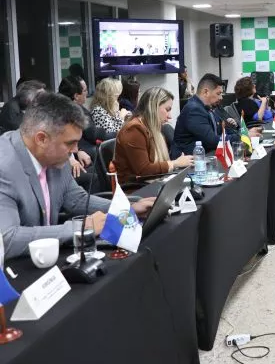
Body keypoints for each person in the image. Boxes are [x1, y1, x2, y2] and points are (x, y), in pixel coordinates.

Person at [0, 92, 155, 259]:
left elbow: (76, 199)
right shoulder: (4, 167)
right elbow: (7, 239)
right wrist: (80, 228)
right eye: (70, 143)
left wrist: (127, 209)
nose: (75, 150)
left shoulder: (53, 156)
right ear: (41, 139)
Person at [113, 87, 193, 185]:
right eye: (167, 110)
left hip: (150, 184)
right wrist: (175, 163)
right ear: (153, 107)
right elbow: (143, 170)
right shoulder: (134, 130)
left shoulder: (151, 128)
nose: (170, 116)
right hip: (136, 189)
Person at [172, 73, 260, 157]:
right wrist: (242, 136)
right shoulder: (193, 110)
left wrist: (244, 132)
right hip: (190, 161)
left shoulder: (212, 107)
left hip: (209, 155)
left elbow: (226, 130)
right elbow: (212, 140)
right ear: (206, 92)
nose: (221, 97)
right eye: (218, 93)